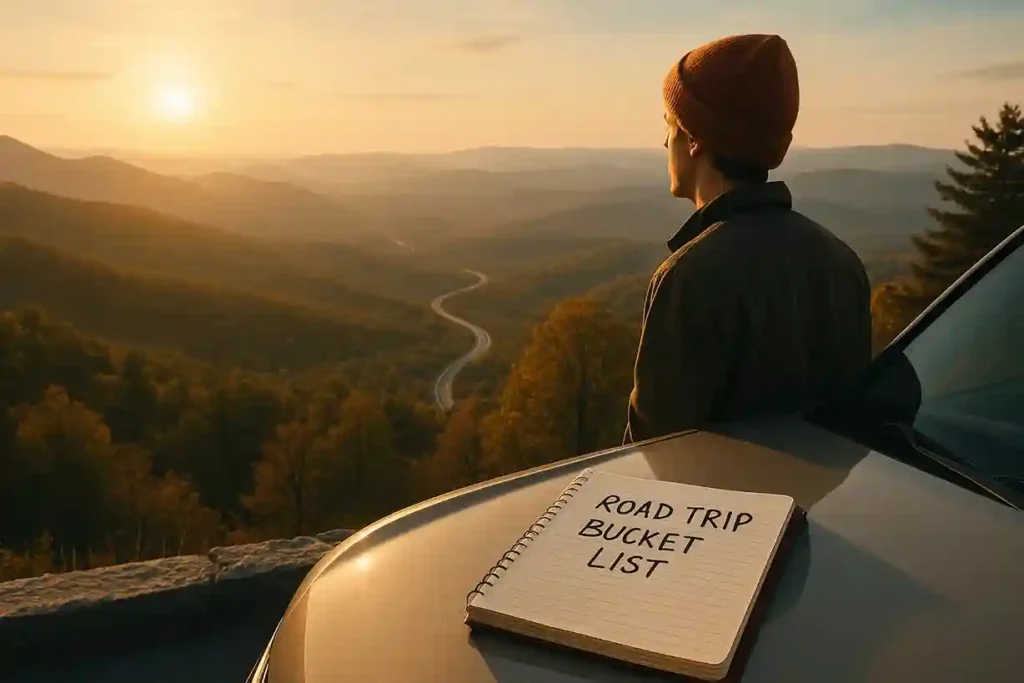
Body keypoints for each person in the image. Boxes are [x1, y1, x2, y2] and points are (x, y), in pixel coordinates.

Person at [623, 33, 872, 444]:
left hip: (716, 508)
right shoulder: (840, 261)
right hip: (828, 505)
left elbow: (652, 454)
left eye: (669, 125)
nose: (665, 142)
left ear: (696, 136)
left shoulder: (690, 276)